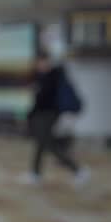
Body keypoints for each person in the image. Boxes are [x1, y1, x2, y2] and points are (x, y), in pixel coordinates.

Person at [22, 53, 90, 187]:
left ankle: (78, 170)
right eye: (39, 62)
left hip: (48, 115)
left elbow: (44, 98)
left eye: (42, 61)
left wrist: (36, 92)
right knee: (41, 145)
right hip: (41, 115)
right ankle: (35, 174)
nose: (40, 65)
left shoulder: (53, 76)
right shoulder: (43, 76)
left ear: (47, 62)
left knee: (48, 145)